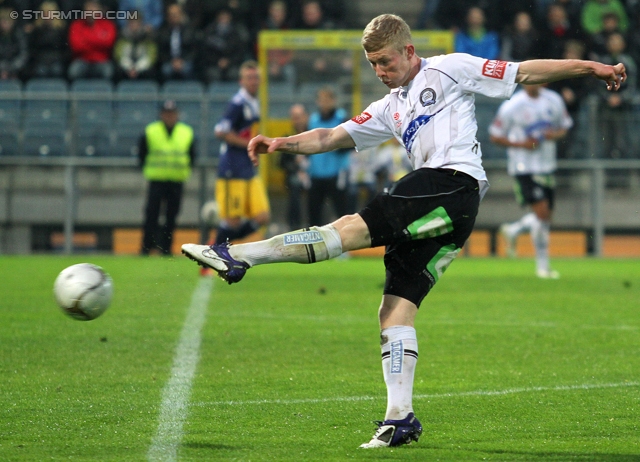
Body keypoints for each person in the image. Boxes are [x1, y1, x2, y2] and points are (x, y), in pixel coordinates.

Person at [182, 13, 626, 448]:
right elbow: (332, 137)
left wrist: (591, 67)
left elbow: (523, 72)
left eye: (386, 62)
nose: (380, 71)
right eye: (373, 64)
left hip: (450, 183)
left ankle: (240, 255)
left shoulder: (449, 69)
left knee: (346, 229)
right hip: (450, 209)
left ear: (409, 50)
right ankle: (400, 419)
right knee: (395, 309)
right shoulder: (389, 106)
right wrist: (282, 143)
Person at [489, 84, 572, 278]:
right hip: (523, 167)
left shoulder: (553, 99)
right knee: (542, 214)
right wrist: (521, 144)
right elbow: (495, 135)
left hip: (547, 165)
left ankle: (514, 229)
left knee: (545, 217)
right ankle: (542, 267)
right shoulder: (512, 105)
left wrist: (554, 135)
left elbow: (565, 127)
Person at [210, 59, 270, 247]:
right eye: (249, 78)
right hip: (232, 168)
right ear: (241, 81)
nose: (253, 81)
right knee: (233, 220)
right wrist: (249, 144)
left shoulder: (254, 102)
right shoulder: (238, 103)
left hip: (247, 167)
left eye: (256, 77)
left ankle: (223, 245)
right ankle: (212, 256)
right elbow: (220, 131)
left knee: (263, 216)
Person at [140, 100, 195, 255]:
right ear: (161, 115)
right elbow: (142, 153)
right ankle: (146, 248)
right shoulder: (151, 131)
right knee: (151, 215)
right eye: (167, 113)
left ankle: (166, 248)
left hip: (177, 181)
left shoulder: (186, 132)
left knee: (171, 217)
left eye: (172, 113)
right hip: (156, 180)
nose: (169, 116)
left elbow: (192, 155)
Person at [305, 86, 351, 226]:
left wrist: (336, 145)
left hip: (337, 172)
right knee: (314, 211)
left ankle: (345, 243)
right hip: (316, 173)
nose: (324, 103)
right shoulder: (313, 120)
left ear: (334, 101)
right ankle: (315, 244)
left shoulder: (341, 118)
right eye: (321, 100)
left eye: (327, 99)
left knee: (341, 211)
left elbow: (350, 143)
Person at [67, 0, 117, 81]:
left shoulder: (108, 24)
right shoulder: (76, 25)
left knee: (108, 72)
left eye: (93, 8)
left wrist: (86, 41)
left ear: (99, 10)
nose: (91, 11)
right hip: (82, 60)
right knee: (73, 71)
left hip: (102, 60)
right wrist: (98, 41)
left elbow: (109, 43)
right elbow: (76, 46)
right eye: (88, 8)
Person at [279, 104, 310, 230]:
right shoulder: (287, 138)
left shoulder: (313, 134)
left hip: (314, 173)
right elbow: (282, 163)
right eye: (294, 117)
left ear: (306, 117)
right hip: (295, 175)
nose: (297, 120)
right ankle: (294, 226)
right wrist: (295, 168)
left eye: (299, 116)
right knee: (295, 185)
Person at [157, 3, 198, 81]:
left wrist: (182, 61)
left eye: (176, 14)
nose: (174, 17)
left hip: (185, 61)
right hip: (169, 62)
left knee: (187, 69)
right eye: (171, 14)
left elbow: (193, 50)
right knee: (165, 70)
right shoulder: (162, 32)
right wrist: (172, 61)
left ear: (181, 15)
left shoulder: (190, 31)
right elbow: (161, 51)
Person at [113, 15, 158, 81]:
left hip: (142, 67)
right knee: (117, 71)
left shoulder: (148, 38)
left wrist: (137, 68)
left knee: (152, 72)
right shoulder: (122, 37)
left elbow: (151, 56)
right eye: (131, 23)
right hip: (126, 66)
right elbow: (118, 55)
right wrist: (129, 67)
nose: (134, 25)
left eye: (136, 23)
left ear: (141, 24)